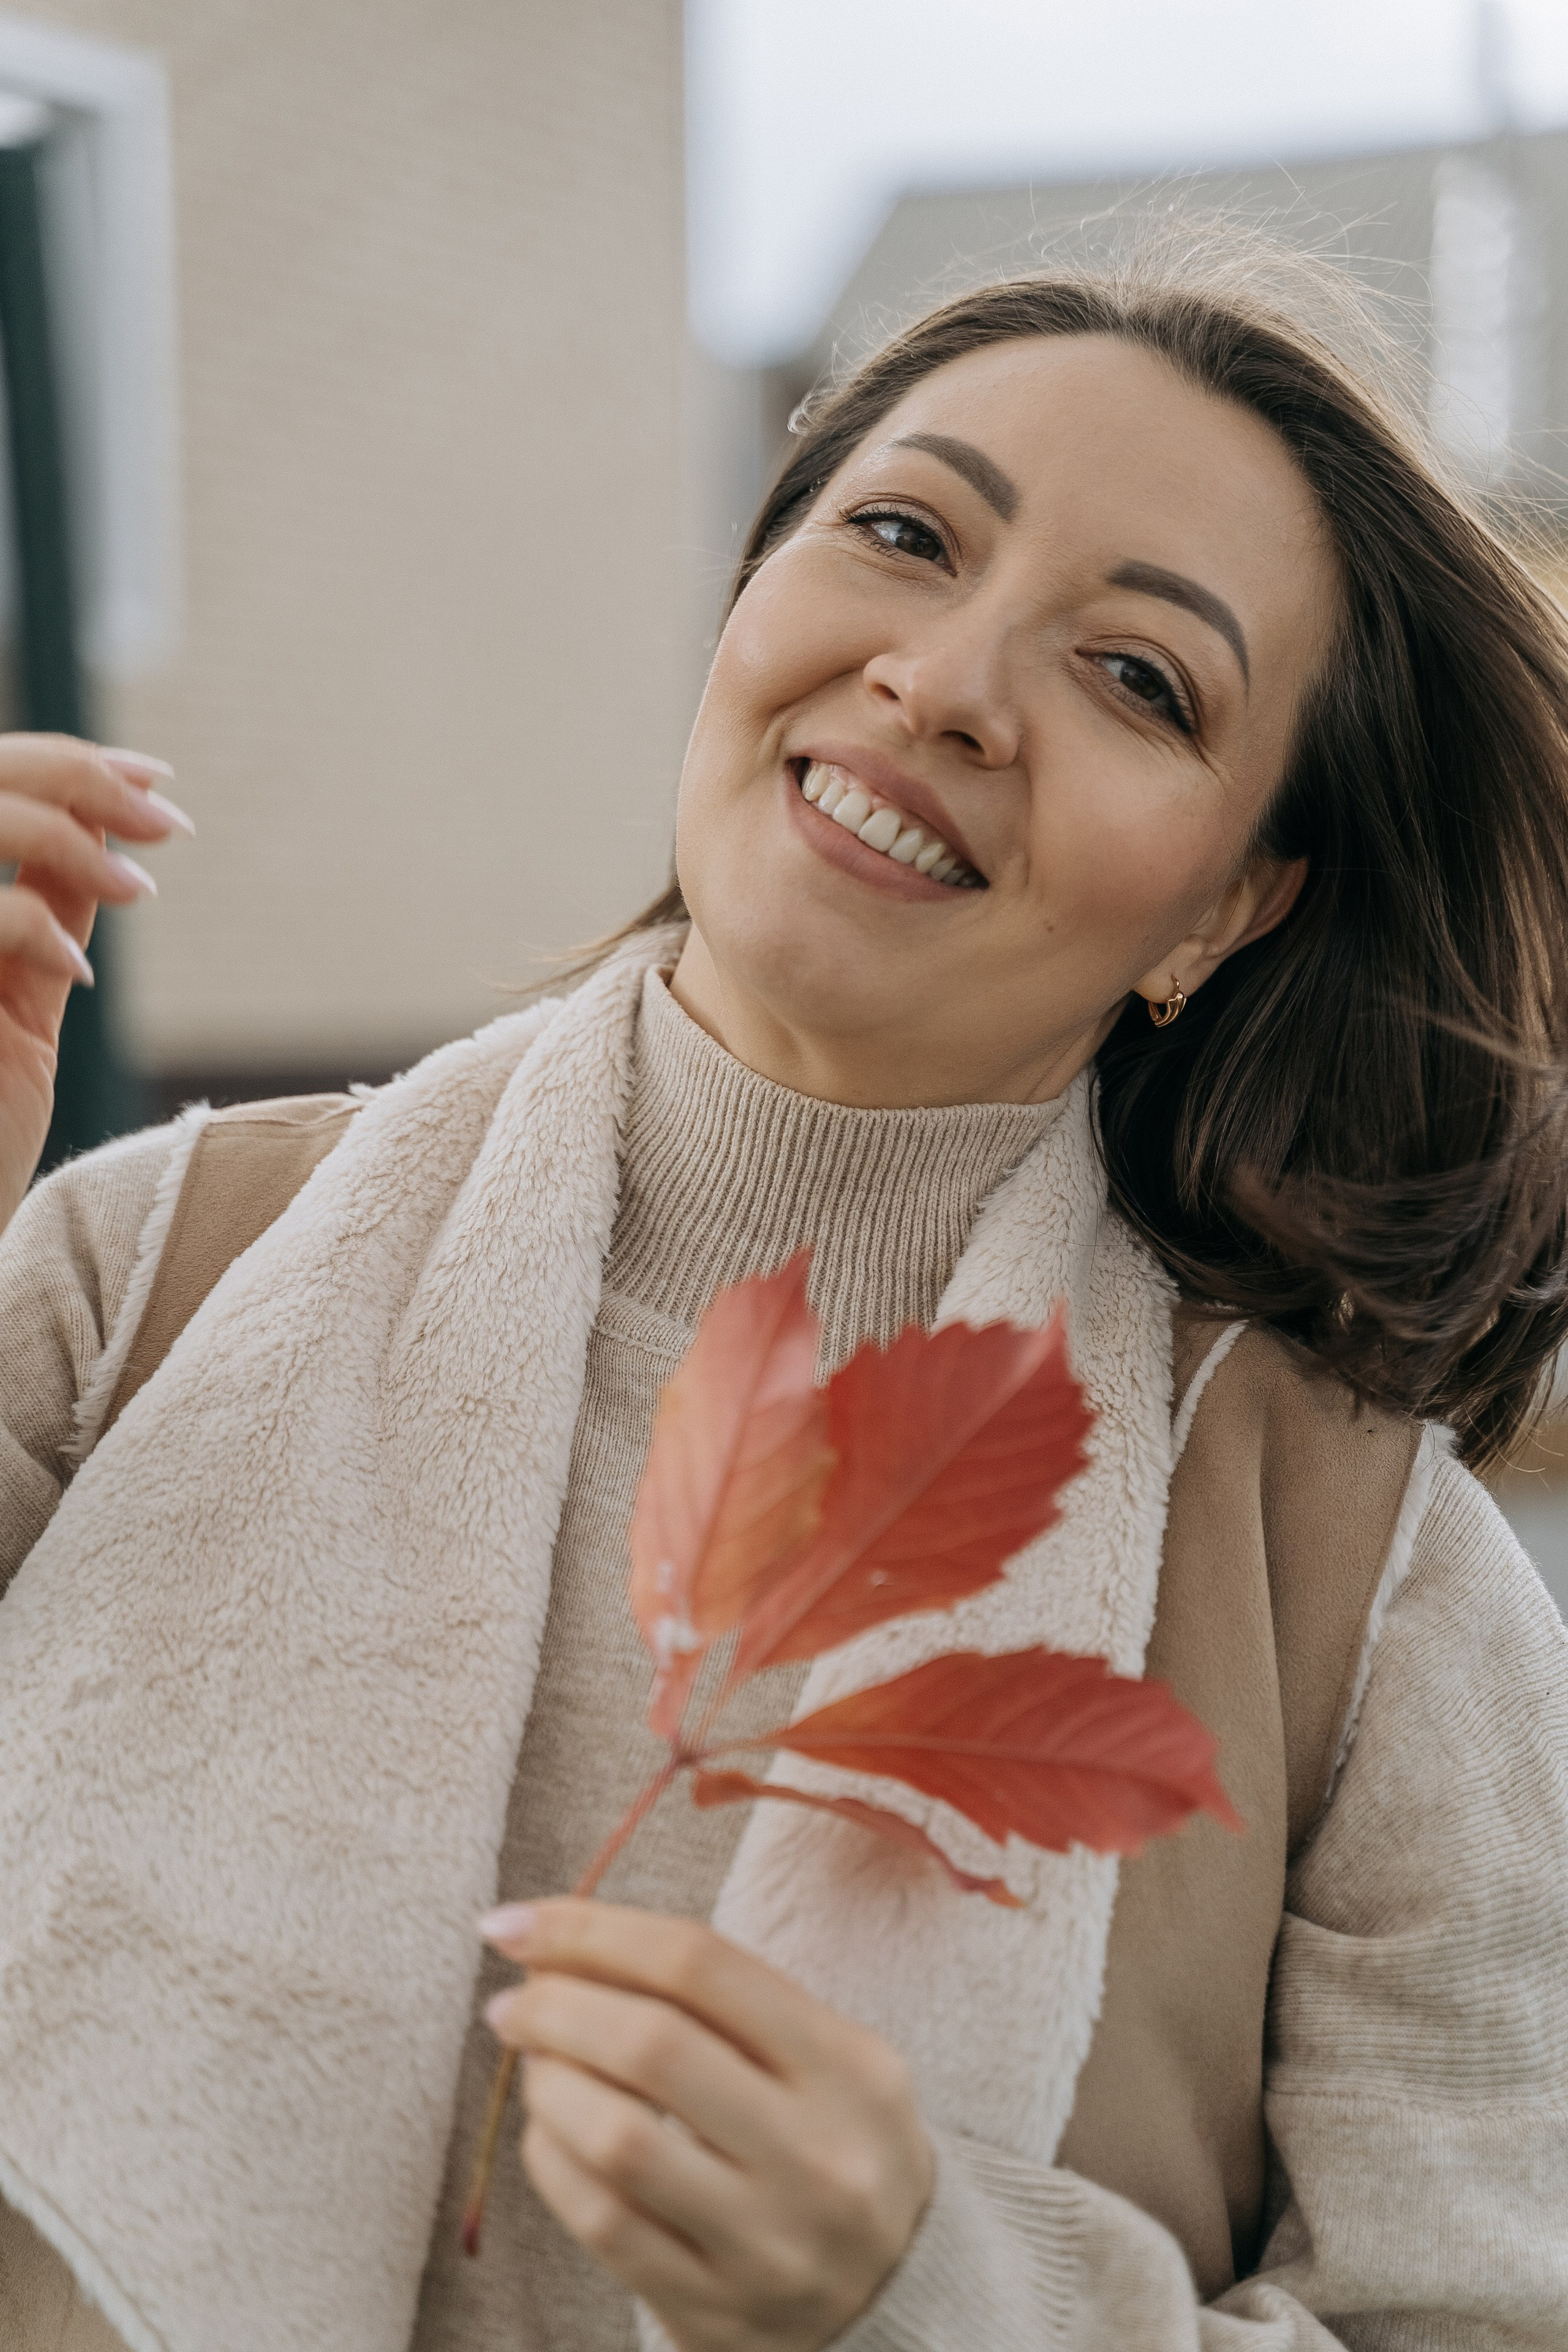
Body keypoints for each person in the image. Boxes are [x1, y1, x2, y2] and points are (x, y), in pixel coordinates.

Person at [0, 251, 1565, 2352]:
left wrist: (938, 2296)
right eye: (905, 535)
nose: (946, 683)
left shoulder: (1361, 1580)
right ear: (748, 598)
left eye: (1140, 678)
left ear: (1229, 905)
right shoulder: (140, 1275)